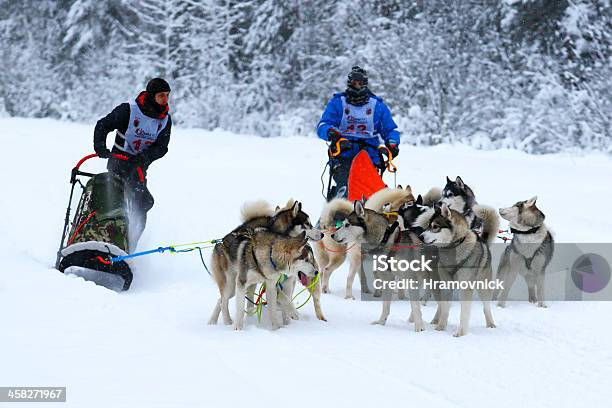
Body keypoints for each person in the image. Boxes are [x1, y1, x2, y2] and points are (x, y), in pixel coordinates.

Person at [93, 77, 172, 247]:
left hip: (138, 168)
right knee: (114, 204)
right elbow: (102, 125)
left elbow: (162, 147)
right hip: (118, 163)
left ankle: (129, 248)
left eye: (167, 95)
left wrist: (144, 158)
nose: (165, 100)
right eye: (161, 95)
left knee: (142, 204)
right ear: (152, 96)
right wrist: (100, 147)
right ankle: (103, 241)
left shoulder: (165, 120)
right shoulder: (129, 110)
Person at [317, 66, 400, 200]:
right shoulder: (338, 102)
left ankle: (369, 215)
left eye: (360, 83)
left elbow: (390, 130)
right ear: (349, 83)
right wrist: (331, 133)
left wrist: (392, 144)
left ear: (365, 84)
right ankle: (338, 217)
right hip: (344, 152)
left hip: (369, 155)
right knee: (344, 189)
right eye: (354, 82)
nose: (357, 86)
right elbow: (323, 125)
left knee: (370, 192)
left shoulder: (377, 105)